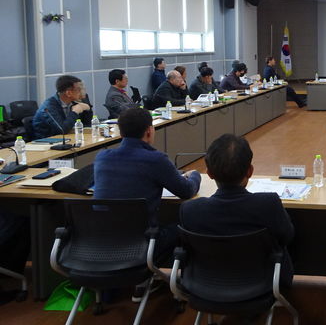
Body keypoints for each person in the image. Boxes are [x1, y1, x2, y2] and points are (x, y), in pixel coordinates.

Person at [93, 108, 201, 273]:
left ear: (121, 133)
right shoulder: (156, 160)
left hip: (102, 242)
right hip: (144, 243)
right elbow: (186, 191)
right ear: (149, 131)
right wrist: (195, 176)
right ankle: (168, 276)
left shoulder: (102, 157)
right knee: (188, 223)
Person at [180, 134, 294, 288]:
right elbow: (287, 236)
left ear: (209, 173)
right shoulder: (268, 204)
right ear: (250, 171)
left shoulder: (190, 210)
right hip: (263, 284)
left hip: (206, 285)